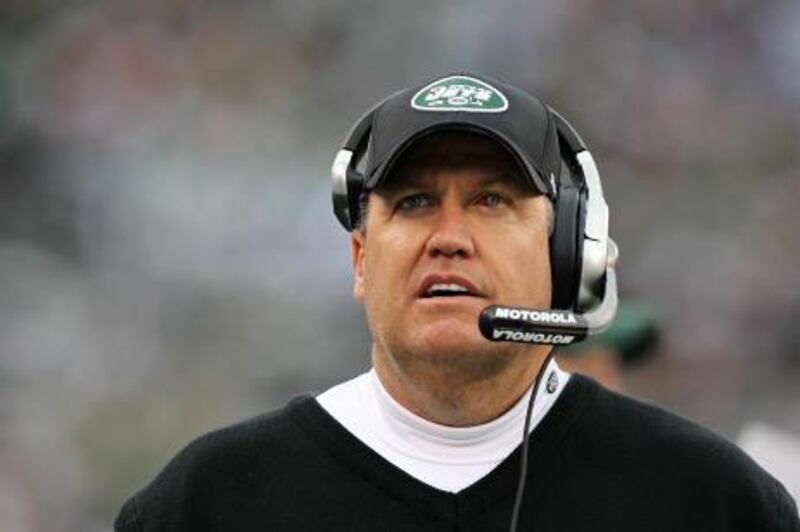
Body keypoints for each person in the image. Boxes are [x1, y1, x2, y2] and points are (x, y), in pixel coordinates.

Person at [114, 73, 799, 531]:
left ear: (570, 253)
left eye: (491, 200)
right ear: (360, 258)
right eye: (413, 201)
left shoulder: (710, 502)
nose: (449, 238)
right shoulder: (208, 502)